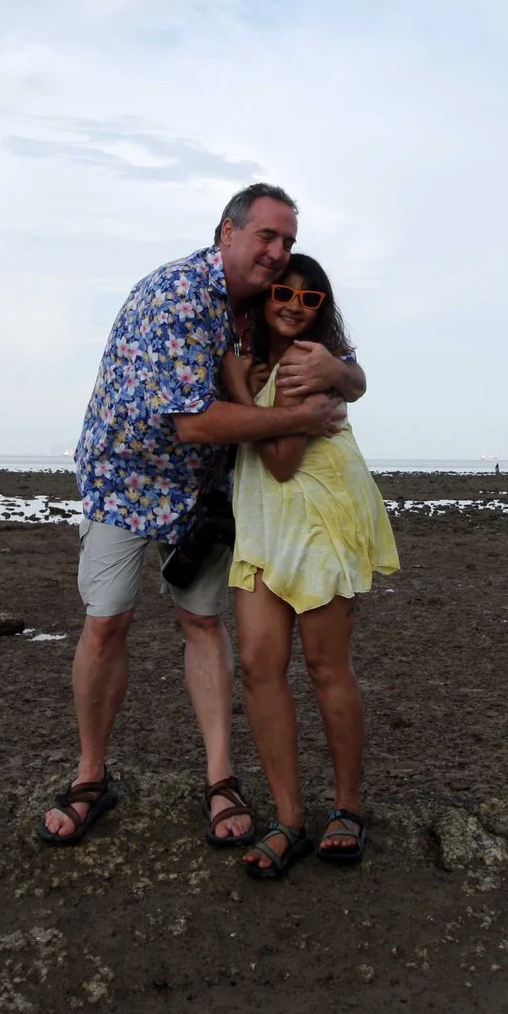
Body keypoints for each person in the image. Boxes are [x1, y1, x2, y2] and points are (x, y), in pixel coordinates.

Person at [40, 184, 366, 847]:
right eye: (266, 236)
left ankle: (221, 778)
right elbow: (191, 422)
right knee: (106, 622)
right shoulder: (179, 295)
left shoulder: (267, 307)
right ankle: (90, 775)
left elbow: (349, 373)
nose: (278, 253)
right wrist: (300, 418)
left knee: (202, 621)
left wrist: (336, 376)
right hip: (125, 477)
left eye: (288, 241)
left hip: (205, 487)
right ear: (227, 232)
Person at [217, 253, 399, 878]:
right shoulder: (265, 359)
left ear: (323, 309)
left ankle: (347, 807)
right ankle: (289, 819)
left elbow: (281, 460)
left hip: (320, 519)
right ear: (263, 298)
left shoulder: (305, 364)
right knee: (258, 667)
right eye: (283, 293)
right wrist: (249, 380)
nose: (294, 305)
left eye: (309, 297)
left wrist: (239, 389)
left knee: (325, 667)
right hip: (266, 523)